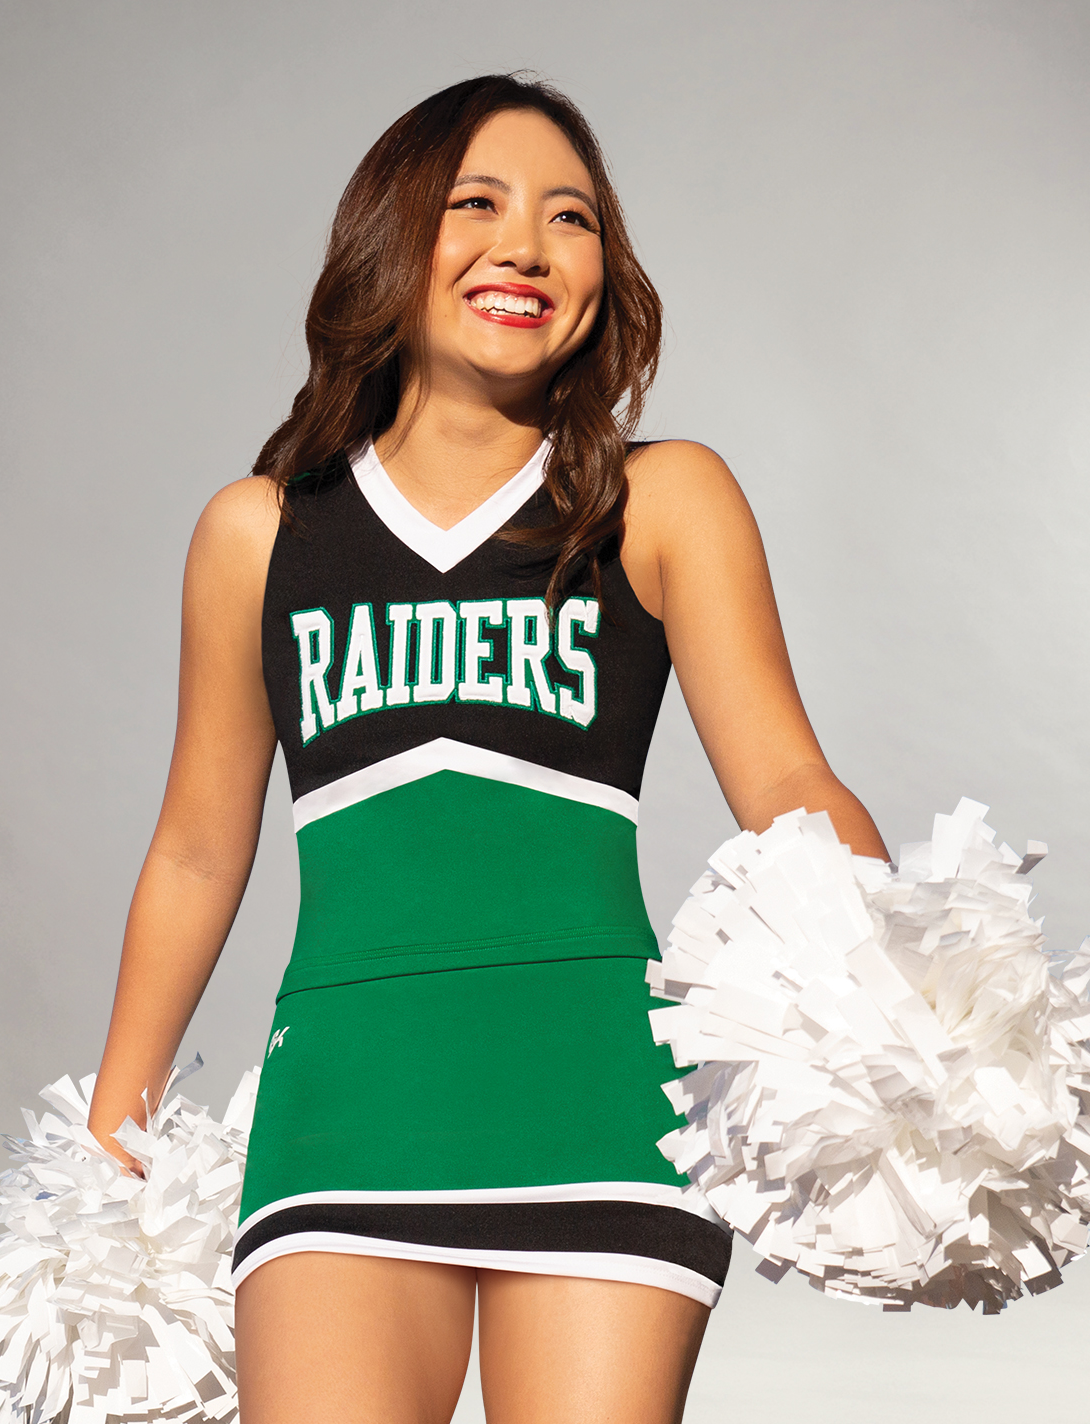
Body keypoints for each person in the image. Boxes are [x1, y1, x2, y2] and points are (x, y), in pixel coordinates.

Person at [87, 73, 889, 1424]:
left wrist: (900, 992)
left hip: (602, 1102)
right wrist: (110, 1138)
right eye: (477, 204)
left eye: (570, 218)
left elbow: (788, 782)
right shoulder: (260, 535)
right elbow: (195, 850)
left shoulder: (658, 502)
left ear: (603, 274)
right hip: (342, 1110)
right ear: (390, 239)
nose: (525, 246)